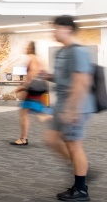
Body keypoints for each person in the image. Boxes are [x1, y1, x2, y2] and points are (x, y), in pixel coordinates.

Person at [44, 15, 95, 201]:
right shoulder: (60, 52)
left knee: (74, 146)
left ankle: (81, 189)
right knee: (51, 139)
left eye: (56, 28)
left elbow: (82, 82)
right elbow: (63, 78)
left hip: (76, 105)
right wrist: (48, 76)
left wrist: (73, 109)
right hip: (62, 102)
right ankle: (82, 170)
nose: (53, 32)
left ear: (67, 29)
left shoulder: (78, 51)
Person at [10, 41, 52, 146]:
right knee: (32, 110)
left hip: (33, 87)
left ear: (30, 48)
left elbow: (32, 72)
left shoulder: (31, 58)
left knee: (24, 113)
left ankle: (23, 138)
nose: (25, 49)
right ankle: (48, 116)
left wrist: (24, 87)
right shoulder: (39, 59)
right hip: (39, 87)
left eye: (26, 47)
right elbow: (44, 73)